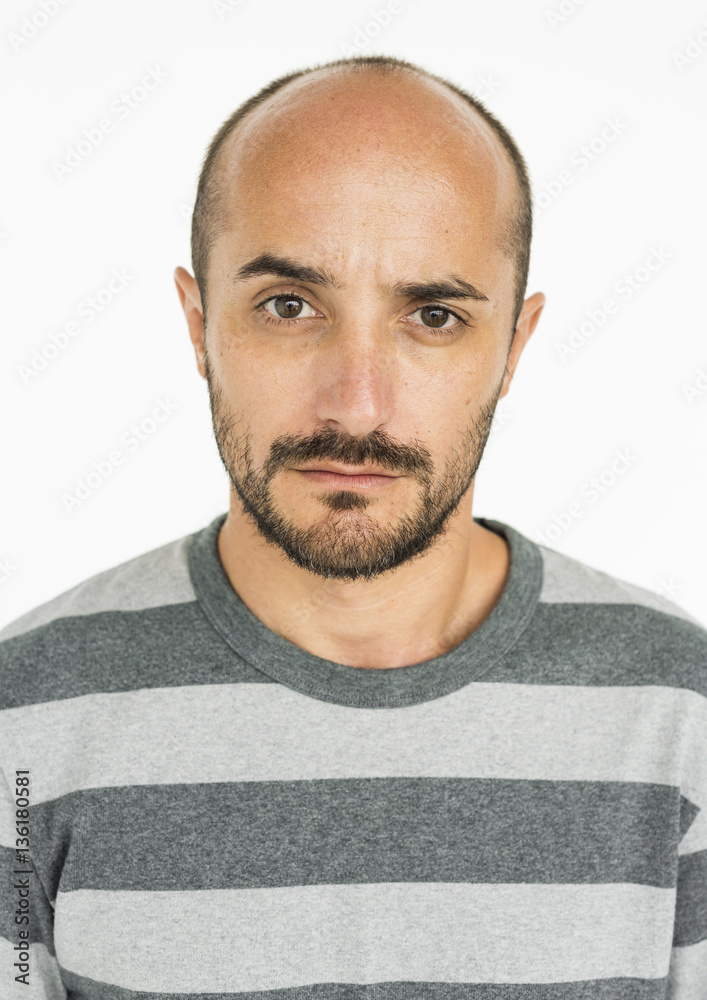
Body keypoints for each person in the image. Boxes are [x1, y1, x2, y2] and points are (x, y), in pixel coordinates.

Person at [1, 54, 705, 998]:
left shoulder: (682, 720)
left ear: (513, 349)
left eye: (433, 315)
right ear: (198, 322)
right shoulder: (24, 725)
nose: (356, 407)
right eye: (288, 307)